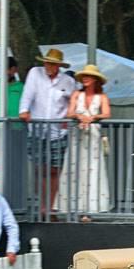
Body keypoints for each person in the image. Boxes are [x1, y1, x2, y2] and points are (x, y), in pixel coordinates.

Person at [19, 48, 77, 219]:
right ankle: (42, 204)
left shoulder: (67, 81)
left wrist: (69, 116)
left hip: (58, 131)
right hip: (37, 129)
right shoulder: (35, 74)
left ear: (59, 65)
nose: (49, 66)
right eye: (47, 62)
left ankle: (49, 207)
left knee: (54, 169)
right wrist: (23, 110)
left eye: (52, 63)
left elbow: (73, 100)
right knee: (39, 168)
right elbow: (27, 94)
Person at [55, 64, 111, 220]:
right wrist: (79, 117)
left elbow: (107, 113)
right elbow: (69, 112)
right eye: (84, 76)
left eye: (89, 76)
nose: (85, 79)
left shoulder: (102, 97)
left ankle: (88, 210)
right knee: (74, 170)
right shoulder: (76, 95)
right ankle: (73, 208)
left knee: (92, 171)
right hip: (77, 136)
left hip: (92, 136)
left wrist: (92, 118)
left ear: (95, 80)